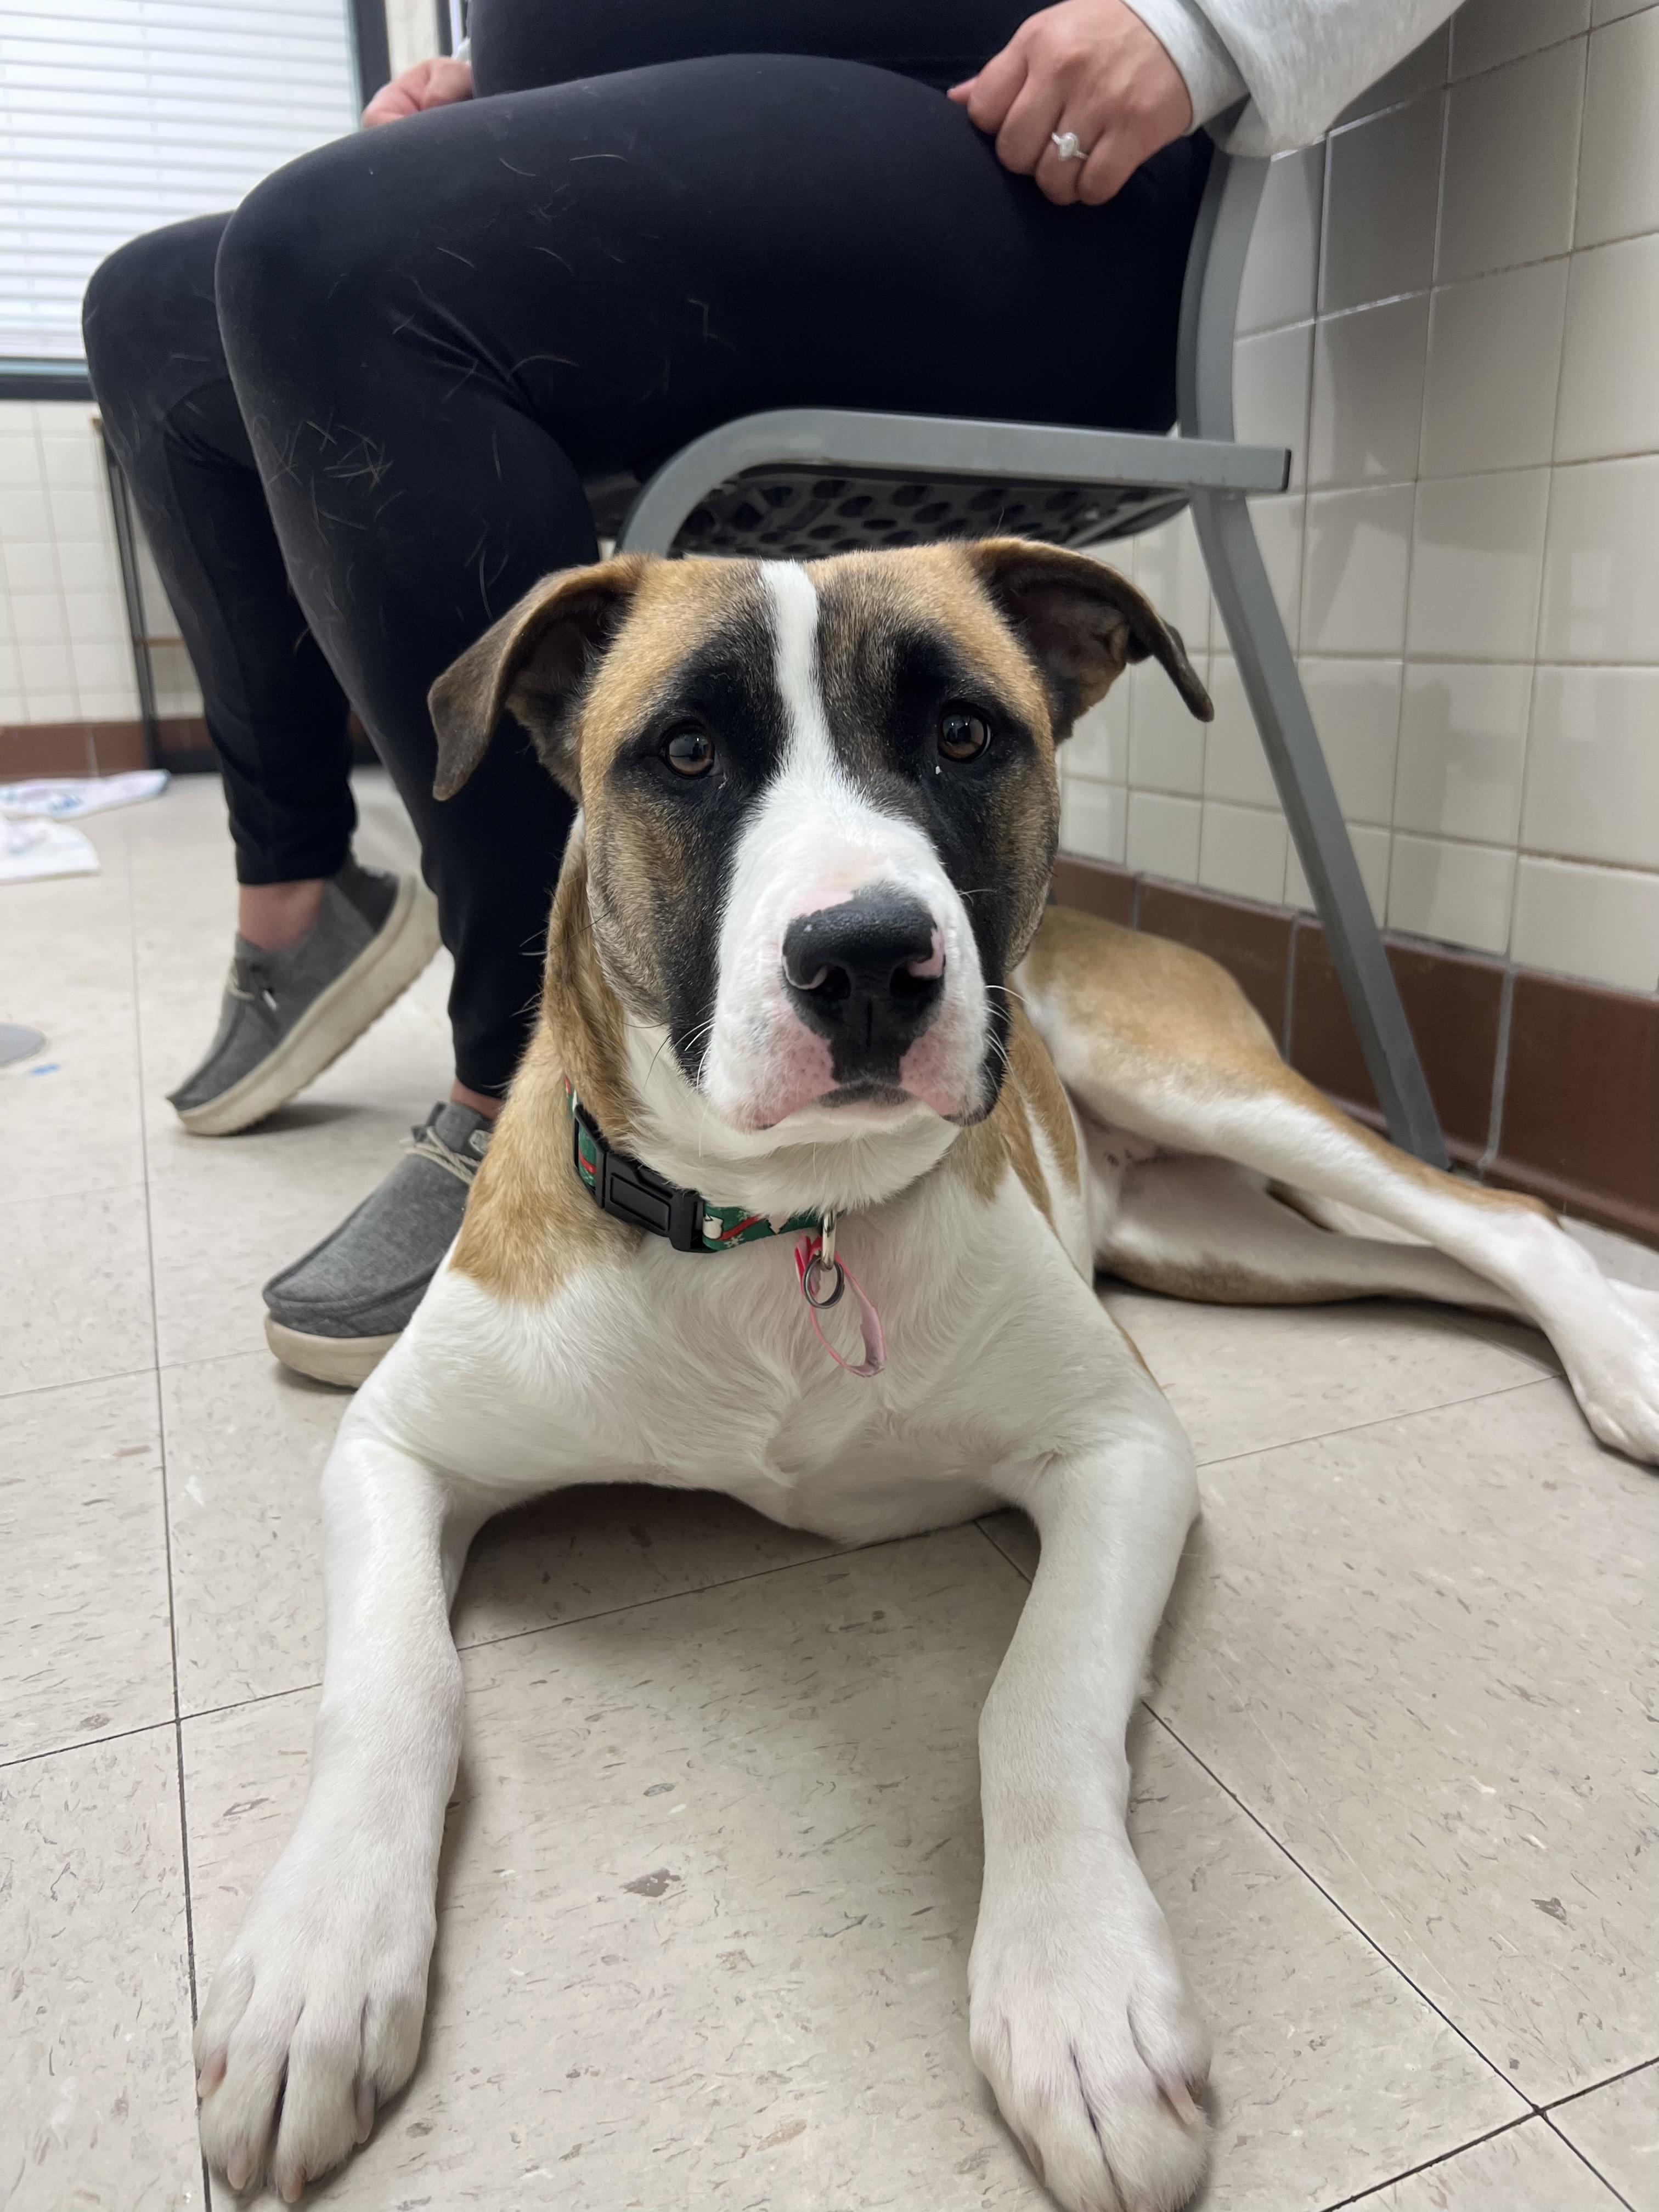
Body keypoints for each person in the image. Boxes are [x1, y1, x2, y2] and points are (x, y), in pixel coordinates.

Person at [83, 0, 1455, 1385]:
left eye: (964, 733)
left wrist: (1205, 27)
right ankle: (301, 886)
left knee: (329, 256)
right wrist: (503, 84)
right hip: (705, 157)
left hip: (1027, 163)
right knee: (146, 313)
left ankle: (520, 1083)